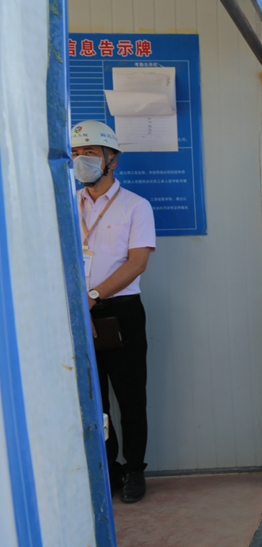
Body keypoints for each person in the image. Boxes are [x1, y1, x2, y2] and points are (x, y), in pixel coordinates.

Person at [71, 121, 156, 504]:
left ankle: (135, 469)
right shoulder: (67, 204)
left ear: (112, 160)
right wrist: (81, 305)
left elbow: (137, 263)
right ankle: (110, 469)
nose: (81, 159)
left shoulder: (136, 206)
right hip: (79, 312)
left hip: (121, 312)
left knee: (130, 397)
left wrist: (92, 296)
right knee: (94, 401)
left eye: (89, 152)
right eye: (76, 153)